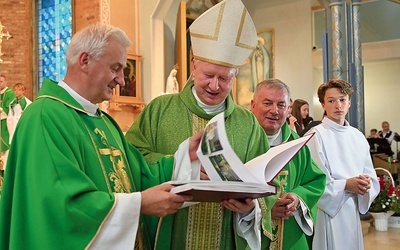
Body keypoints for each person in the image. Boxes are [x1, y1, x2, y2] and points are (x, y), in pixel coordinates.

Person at [0, 23, 205, 249]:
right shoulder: (45, 117)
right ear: (85, 60)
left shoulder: (105, 122)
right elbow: (61, 207)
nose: (122, 80)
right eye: (115, 68)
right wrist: (138, 204)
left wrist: (186, 157)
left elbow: (139, 176)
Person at [126, 0, 269, 249]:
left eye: (223, 78)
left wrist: (251, 207)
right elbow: (130, 162)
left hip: (227, 237)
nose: (214, 86)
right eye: (208, 75)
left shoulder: (248, 124)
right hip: (171, 236)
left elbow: (265, 179)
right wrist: (182, 164)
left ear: (234, 77)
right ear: (193, 66)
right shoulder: (160, 110)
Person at [250, 78, 326, 249]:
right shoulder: (241, 141)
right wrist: (266, 208)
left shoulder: (297, 145)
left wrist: (297, 199)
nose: (274, 111)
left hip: (289, 232)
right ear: (253, 105)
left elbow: (314, 181)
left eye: (281, 105)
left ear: (289, 110)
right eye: (267, 103)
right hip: (251, 235)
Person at [305, 79, 379, 250]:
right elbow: (314, 181)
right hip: (328, 211)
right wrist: (346, 184)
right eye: (331, 101)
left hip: (351, 207)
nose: (338, 105)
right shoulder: (315, 135)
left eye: (342, 99)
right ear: (323, 104)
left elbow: (370, 173)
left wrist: (366, 183)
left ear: (349, 102)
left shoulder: (357, 136)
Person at [0, 75, 16, 154]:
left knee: (5, 141)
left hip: (5, 121)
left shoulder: (10, 93)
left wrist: (2, 110)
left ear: (6, 82)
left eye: (1, 81)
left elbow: (10, 105)